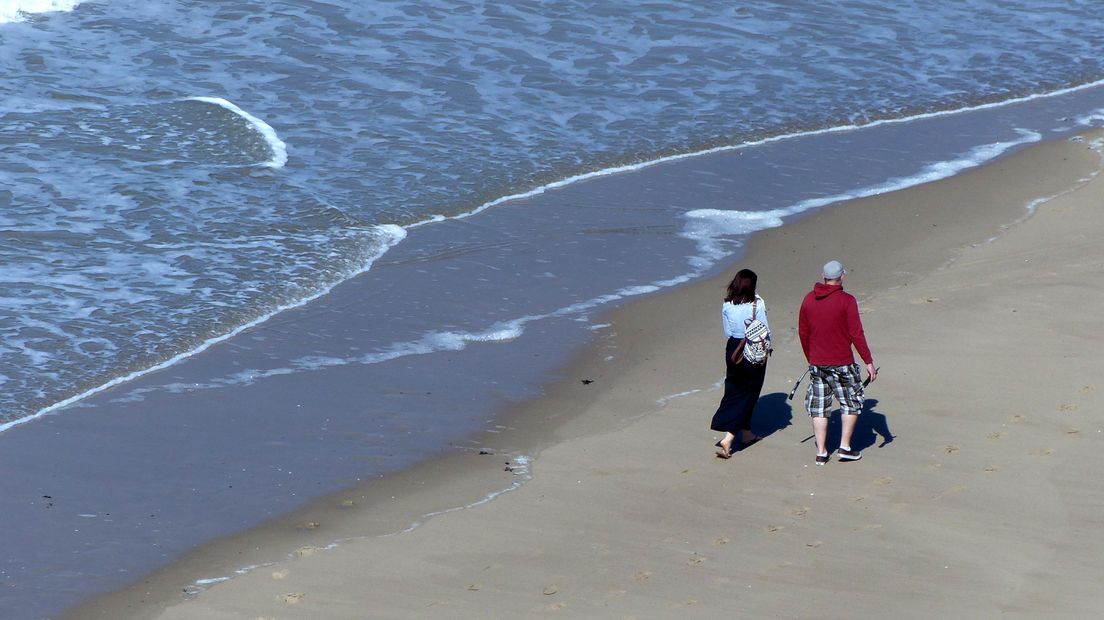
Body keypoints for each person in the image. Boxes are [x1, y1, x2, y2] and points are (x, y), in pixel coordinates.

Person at [798, 260, 876, 465]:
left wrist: (811, 357)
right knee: (851, 402)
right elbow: (856, 333)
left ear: (823, 276)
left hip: (818, 363)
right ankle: (845, 446)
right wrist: (868, 360)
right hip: (842, 363)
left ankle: (822, 451)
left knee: (820, 406)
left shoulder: (808, 299)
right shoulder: (846, 300)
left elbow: (803, 333)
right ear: (841, 277)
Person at [711, 268, 771, 459]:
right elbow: (764, 330)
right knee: (750, 392)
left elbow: (727, 332)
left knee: (734, 389)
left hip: (733, 349)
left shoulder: (727, 305)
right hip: (752, 349)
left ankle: (746, 434)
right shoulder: (757, 304)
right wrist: (768, 350)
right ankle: (729, 436)